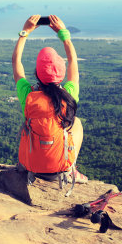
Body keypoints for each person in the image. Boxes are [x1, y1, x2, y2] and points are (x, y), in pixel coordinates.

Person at [12, 14, 88, 185]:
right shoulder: (68, 94)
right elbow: (73, 62)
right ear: (61, 74)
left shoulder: (28, 95)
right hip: (60, 166)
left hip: (30, 166)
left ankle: (24, 165)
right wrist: (64, 35)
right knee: (76, 123)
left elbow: (16, 63)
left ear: (37, 74)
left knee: (27, 125)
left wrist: (24, 33)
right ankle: (71, 171)